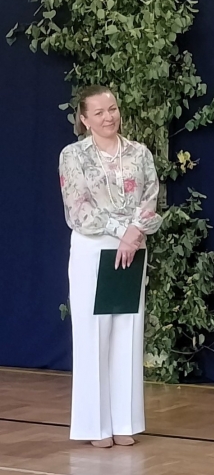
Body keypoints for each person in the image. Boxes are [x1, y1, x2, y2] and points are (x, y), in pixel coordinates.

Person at [58, 85, 162, 448]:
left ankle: (124, 421)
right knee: (94, 335)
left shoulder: (139, 152)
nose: (109, 117)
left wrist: (135, 233)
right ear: (85, 119)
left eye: (113, 109)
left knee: (127, 332)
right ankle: (95, 426)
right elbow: (78, 208)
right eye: (99, 112)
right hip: (94, 246)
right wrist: (123, 232)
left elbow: (151, 197)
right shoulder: (73, 155)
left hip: (133, 246)